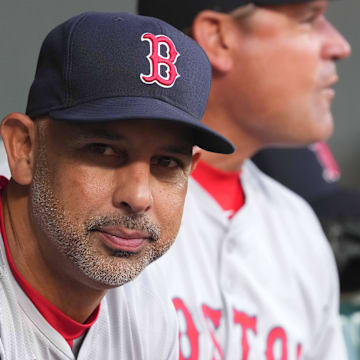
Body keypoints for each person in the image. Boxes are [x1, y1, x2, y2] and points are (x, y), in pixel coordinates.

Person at [0, 11, 233, 359]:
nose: (138, 197)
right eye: (104, 151)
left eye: (167, 163)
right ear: (25, 150)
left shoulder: (148, 313)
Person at [138, 0, 352, 358]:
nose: (339, 46)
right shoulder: (100, 202)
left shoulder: (299, 227)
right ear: (219, 38)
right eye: (309, 19)